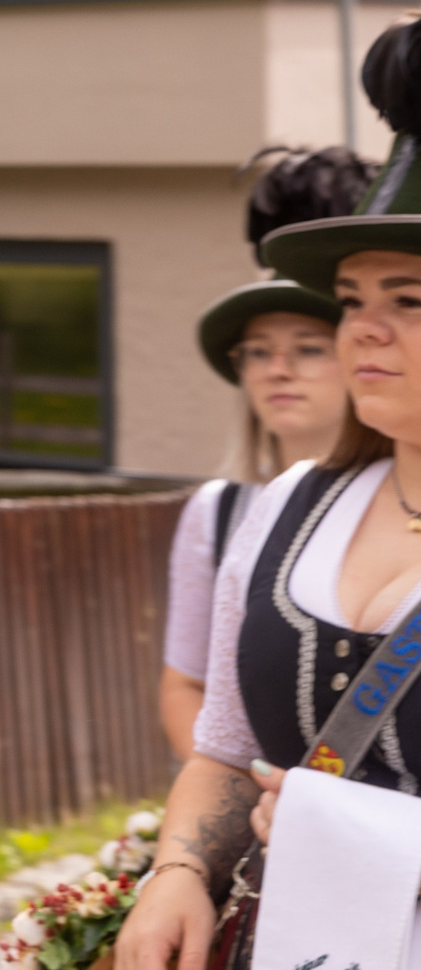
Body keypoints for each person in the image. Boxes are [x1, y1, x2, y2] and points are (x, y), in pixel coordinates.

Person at [119, 19, 421, 970]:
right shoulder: (290, 502)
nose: (363, 330)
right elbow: (224, 747)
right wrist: (177, 871)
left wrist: (366, 835)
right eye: (353, 299)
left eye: (408, 299)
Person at [159, 149, 366, 763]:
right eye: (257, 350)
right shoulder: (219, 510)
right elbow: (185, 683)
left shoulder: (399, 502)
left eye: (308, 348)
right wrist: (231, 795)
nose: (278, 369)